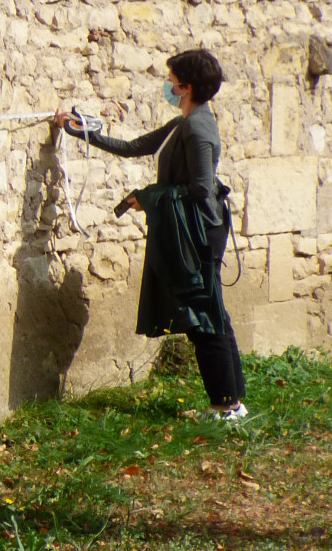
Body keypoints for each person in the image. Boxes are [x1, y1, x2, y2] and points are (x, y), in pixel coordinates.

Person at [54, 49, 250, 421]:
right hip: (198, 229)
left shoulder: (197, 129)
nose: (168, 85)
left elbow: (200, 190)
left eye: (172, 79)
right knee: (213, 317)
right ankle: (232, 402)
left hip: (202, 234)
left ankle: (226, 407)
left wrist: (149, 198)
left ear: (186, 86)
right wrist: (80, 132)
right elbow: (135, 148)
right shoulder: (185, 122)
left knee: (204, 321)